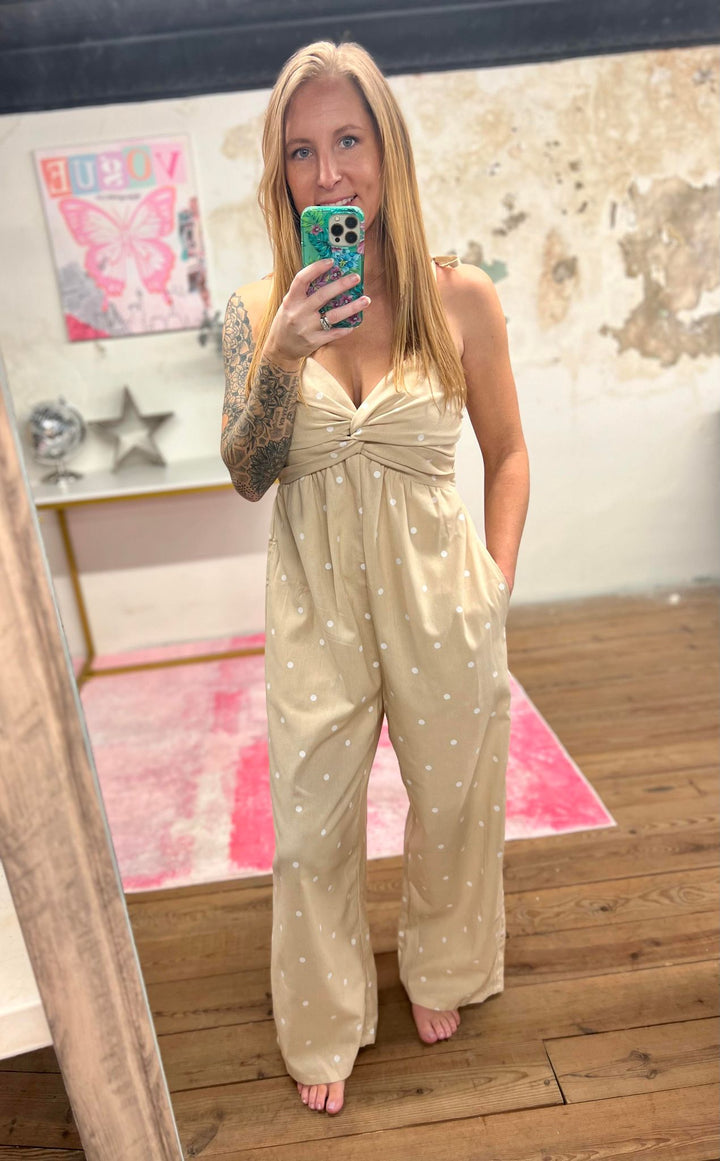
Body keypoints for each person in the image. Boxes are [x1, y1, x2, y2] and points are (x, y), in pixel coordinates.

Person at [221, 39, 529, 1117]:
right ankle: (325, 1015)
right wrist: (283, 353)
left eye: (349, 139)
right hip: (317, 607)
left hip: (444, 601)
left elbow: (509, 454)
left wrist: (493, 584)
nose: (330, 173)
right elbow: (247, 474)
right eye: (302, 151)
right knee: (310, 830)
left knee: (454, 803)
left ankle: (445, 964)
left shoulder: (461, 298)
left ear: (388, 149)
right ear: (280, 173)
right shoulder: (256, 311)